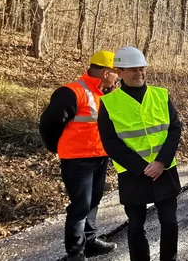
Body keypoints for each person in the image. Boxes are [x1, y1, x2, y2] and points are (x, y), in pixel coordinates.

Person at [97, 46, 182, 261]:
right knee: (135, 226)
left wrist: (161, 161)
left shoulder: (161, 95)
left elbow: (175, 129)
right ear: (120, 72)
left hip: (165, 170)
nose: (138, 73)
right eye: (132, 69)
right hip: (133, 174)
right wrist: (141, 167)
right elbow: (110, 142)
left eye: (141, 68)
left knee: (170, 223)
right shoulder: (109, 103)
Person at [39, 50, 119, 261]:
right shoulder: (72, 91)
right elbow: (49, 123)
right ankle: (75, 253)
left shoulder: (105, 94)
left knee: (94, 200)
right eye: (115, 72)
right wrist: (58, 147)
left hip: (100, 157)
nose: (118, 76)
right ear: (105, 72)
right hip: (77, 160)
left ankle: (90, 241)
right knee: (80, 205)